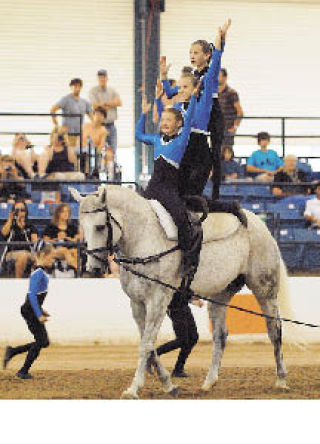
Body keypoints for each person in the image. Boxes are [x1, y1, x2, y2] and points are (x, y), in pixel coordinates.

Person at [160, 19, 231, 200]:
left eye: (196, 52)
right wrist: (164, 76)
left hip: (212, 111)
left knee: (215, 151)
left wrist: (220, 39)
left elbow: (218, 56)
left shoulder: (210, 72)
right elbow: (169, 92)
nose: (192, 55)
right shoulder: (191, 76)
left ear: (207, 55)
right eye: (190, 52)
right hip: (195, 110)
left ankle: (215, 193)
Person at [136, 85, 199, 280]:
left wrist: (194, 98)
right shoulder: (156, 139)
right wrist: (145, 114)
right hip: (152, 188)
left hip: (169, 190)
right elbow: (138, 135)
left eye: (169, 120)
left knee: (182, 221)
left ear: (179, 124)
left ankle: (188, 263)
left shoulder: (182, 139)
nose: (164, 123)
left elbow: (189, 119)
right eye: (162, 120)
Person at [2, 241, 54, 379]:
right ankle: (23, 371)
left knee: (43, 342)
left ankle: (12, 352)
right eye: (51, 257)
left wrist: (41, 310)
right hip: (30, 311)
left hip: (31, 310)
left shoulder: (39, 271)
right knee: (41, 341)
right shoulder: (38, 273)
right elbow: (31, 295)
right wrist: (38, 314)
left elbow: (35, 296)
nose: (52, 260)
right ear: (43, 255)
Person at [147, 294, 203, 378]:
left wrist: (191, 298)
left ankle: (178, 370)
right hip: (174, 308)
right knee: (182, 340)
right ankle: (152, 355)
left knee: (193, 337)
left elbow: (184, 290)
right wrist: (190, 298)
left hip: (184, 306)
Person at [50, 78, 93, 148]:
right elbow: (52, 110)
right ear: (71, 87)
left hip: (79, 134)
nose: (77, 88)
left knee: (80, 152)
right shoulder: (66, 99)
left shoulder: (84, 102)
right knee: (69, 152)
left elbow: (92, 117)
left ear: (81, 87)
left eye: (79, 86)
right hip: (67, 133)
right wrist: (56, 125)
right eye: (75, 86)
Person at [0, 200, 38, 278]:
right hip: (11, 253)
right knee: (22, 255)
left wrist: (23, 225)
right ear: (13, 211)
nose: (20, 212)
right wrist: (10, 219)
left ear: (26, 211)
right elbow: (4, 233)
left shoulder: (30, 226)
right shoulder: (10, 224)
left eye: (22, 210)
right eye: (17, 210)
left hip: (28, 253)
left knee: (40, 255)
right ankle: (18, 282)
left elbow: (35, 241)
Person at [88, 69, 122, 155]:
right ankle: (97, 168)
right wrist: (111, 104)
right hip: (99, 126)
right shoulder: (93, 91)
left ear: (107, 79)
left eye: (104, 78)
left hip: (111, 125)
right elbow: (95, 106)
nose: (102, 80)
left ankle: (111, 167)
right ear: (98, 79)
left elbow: (119, 102)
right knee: (97, 150)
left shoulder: (112, 90)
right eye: (100, 78)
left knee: (112, 150)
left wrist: (105, 103)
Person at [43, 203, 80, 273]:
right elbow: (46, 242)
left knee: (75, 251)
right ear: (58, 213)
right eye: (63, 211)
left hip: (69, 250)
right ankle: (78, 270)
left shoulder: (72, 227)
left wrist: (66, 238)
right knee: (64, 250)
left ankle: (74, 270)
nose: (66, 214)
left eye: (67, 212)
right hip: (54, 251)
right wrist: (57, 239)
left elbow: (76, 240)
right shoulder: (50, 227)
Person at [82, 106, 112, 177]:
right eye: (97, 114)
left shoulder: (103, 130)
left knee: (94, 153)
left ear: (104, 118)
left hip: (93, 151)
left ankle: (91, 174)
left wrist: (95, 152)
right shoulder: (85, 125)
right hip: (82, 149)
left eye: (101, 115)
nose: (99, 117)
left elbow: (101, 145)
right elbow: (79, 139)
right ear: (93, 115)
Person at [218, 67, 244, 150]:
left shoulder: (231, 93)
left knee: (226, 151)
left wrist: (235, 126)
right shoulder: (213, 92)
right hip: (216, 127)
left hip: (227, 127)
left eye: (219, 76)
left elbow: (240, 112)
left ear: (225, 77)